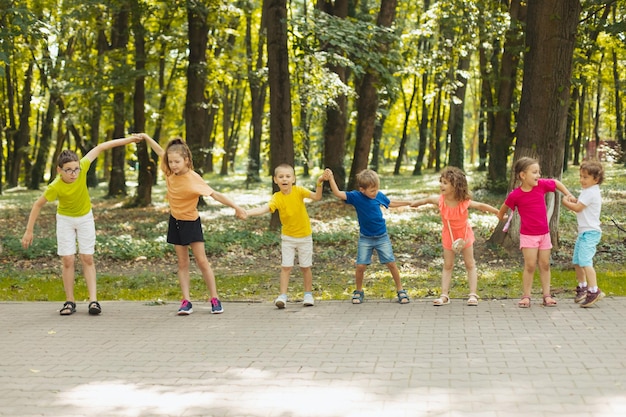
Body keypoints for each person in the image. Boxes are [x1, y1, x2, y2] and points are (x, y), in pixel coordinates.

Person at [21, 136, 141, 316]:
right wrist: (28, 231)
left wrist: (130, 139)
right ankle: (70, 302)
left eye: (76, 169)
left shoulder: (83, 167)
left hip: (85, 218)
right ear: (59, 170)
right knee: (68, 260)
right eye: (68, 170)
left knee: (87, 257)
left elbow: (101, 147)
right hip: (65, 220)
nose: (74, 173)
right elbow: (37, 204)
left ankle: (93, 301)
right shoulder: (55, 186)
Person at [138, 134, 246, 315]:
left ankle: (214, 299)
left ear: (186, 160)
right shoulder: (169, 172)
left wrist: (236, 207)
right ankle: (186, 301)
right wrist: (147, 137)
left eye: (177, 162)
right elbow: (159, 152)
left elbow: (215, 195)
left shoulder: (194, 178)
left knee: (202, 261)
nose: (173, 165)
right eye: (171, 162)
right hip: (175, 222)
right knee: (182, 263)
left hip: (191, 223)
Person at [410, 166, 499, 306]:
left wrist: (497, 213)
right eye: (441, 181)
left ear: (455, 186)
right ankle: (444, 295)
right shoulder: (440, 200)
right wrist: (415, 204)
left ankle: (473, 294)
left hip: (464, 236)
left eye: (445, 182)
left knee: (470, 264)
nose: (441, 185)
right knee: (448, 265)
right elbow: (427, 199)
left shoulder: (464, 202)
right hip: (448, 236)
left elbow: (481, 206)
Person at [245, 164, 327, 309]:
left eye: (288, 176)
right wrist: (247, 212)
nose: (285, 179)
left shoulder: (299, 191)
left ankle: (308, 294)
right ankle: (282, 296)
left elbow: (317, 197)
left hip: (304, 236)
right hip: (288, 238)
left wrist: (319, 182)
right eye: (281, 177)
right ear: (275, 180)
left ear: (293, 179)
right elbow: (265, 208)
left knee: (305, 267)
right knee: (286, 267)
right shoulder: (277, 197)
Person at [325, 168, 412, 305]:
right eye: (372, 190)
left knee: (391, 263)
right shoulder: (356, 197)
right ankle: (359, 291)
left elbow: (390, 203)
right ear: (362, 189)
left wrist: (408, 203)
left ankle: (400, 290)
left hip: (381, 236)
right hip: (365, 238)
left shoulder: (378, 195)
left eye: (376, 189)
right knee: (360, 266)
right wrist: (331, 178)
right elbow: (337, 193)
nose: (375, 192)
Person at [497, 157, 574, 308]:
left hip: (544, 234)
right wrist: (501, 216)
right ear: (522, 175)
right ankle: (526, 296)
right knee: (530, 265)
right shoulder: (516, 195)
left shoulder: (541, 186)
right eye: (534, 172)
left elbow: (556, 183)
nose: (538, 175)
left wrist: (568, 193)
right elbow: (504, 207)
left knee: (545, 264)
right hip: (528, 236)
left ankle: (547, 296)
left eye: (539, 172)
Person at [561, 160, 604, 307]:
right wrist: (573, 200)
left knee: (585, 261)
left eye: (585, 177)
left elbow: (578, 208)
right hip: (584, 232)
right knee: (578, 262)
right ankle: (583, 287)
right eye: (580, 176)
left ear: (595, 179)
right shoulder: (589, 191)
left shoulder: (591, 192)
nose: (582, 180)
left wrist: (565, 202)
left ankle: (594, 290)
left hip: (590, 233)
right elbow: (581, 204)